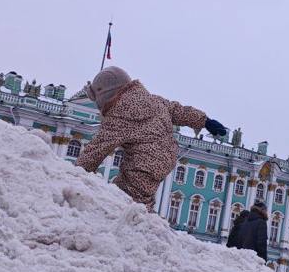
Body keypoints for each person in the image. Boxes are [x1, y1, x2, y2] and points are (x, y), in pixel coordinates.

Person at [75, 66, 227, 204]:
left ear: (105, 94)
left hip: (144, 162)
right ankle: (147, 227)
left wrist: (73, 175)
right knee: (139, 198)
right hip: (166, 156)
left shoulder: (119, 114)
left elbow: (96, 150)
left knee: (126, 201)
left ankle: (133, 229)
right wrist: (206, 121)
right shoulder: (154, 100)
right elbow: (179, 110)